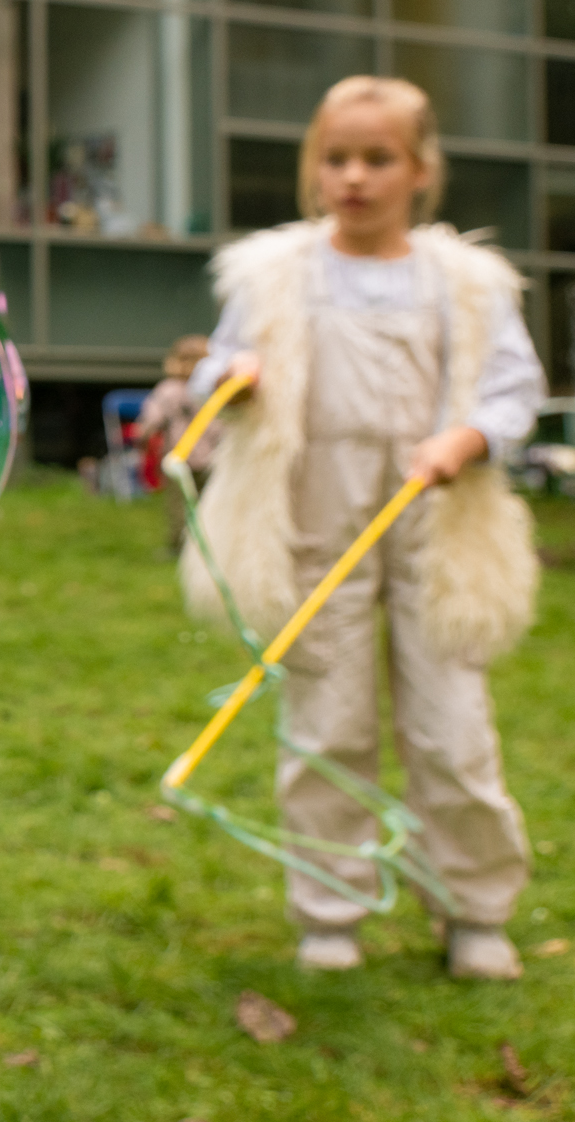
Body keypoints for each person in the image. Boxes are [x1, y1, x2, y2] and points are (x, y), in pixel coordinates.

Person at [183, 75, 542, 981]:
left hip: (436, 523)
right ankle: (329, 908)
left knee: (453, 731)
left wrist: (467, 438)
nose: (354, 177)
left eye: (378, 159)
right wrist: (235, 381)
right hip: (316, 522)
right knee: (325, 725)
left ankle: (474, 909)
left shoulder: (466, 284)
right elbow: (216, 366)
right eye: (336, 158)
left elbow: (512, 388)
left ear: (420, 170)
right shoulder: (276, 275)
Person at [135, 333, 211, 555]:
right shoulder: (211, 389)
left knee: (178, 505)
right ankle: (207, 545)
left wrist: (142, 435)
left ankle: (179, 547)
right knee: (209, 502)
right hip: (211, 457)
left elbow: (152, 420)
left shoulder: (168, 389)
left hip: (179, 458)